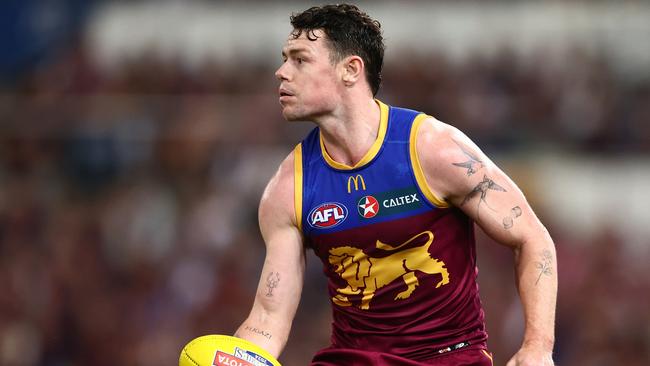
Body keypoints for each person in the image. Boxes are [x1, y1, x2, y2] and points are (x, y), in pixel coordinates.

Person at [234, 4, 557, 366]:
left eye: (300, 59)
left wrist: (537, 347)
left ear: (351, 70)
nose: (281, 72)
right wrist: (239, 359)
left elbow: (533, 238)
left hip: (449, 359)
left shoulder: (432, 150)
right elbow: (267, 319)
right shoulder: (287, 187)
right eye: (284, 59)